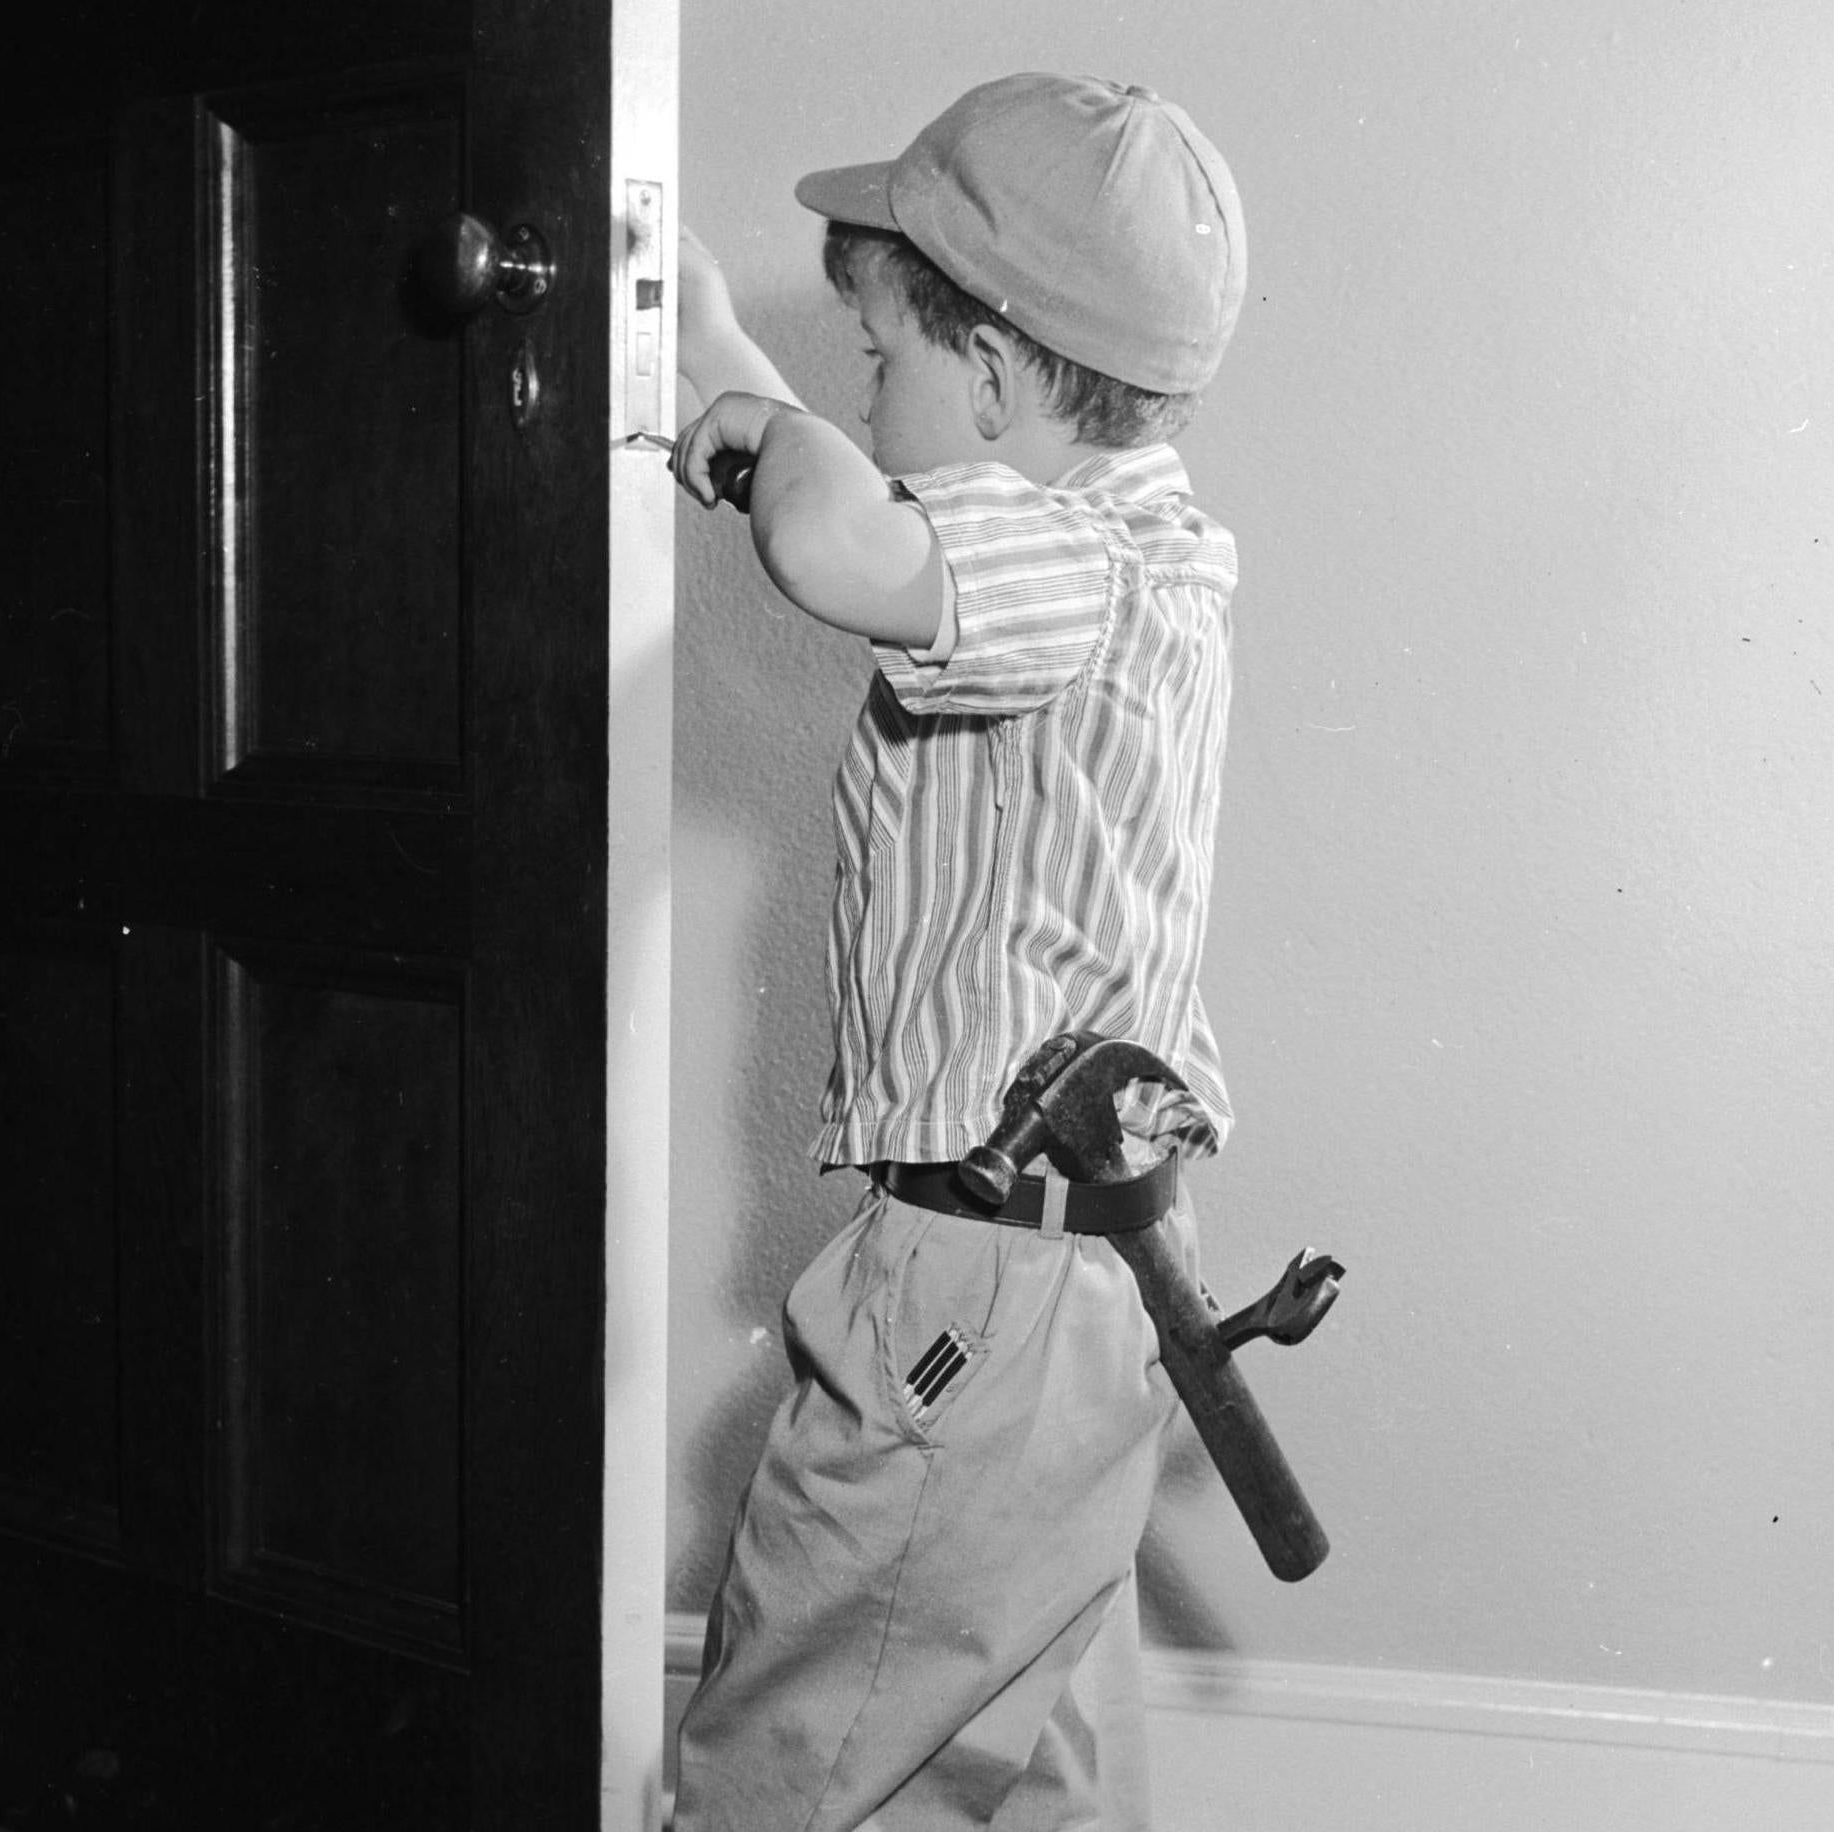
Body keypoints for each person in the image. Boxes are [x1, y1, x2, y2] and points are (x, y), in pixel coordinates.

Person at [667, 71, 1249, 1831]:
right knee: (1026, 1760)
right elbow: (867, 503)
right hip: (1086, 1278)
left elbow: (839, 534)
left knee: (794, 1744)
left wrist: (758, 430)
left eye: (880, 358)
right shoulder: (1148, 550)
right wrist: (714, 359)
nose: (864, 391)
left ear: (992, 380)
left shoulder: (1066, 559)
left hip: (975, 1295)